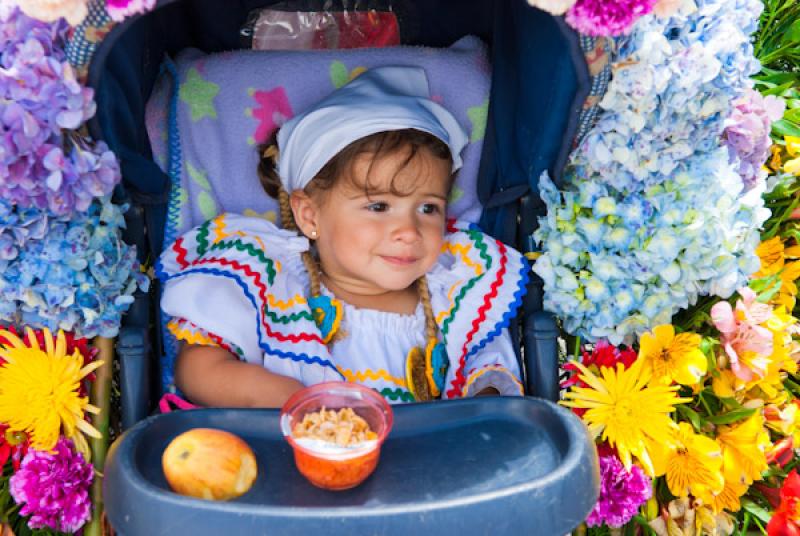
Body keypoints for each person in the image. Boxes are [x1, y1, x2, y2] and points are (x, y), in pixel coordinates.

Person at [157, 66, 529, 408]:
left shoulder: (458, 291)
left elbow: (491, 369)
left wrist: (484, 397)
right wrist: (287, 396)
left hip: (429, 469)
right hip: (292, 464)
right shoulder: (270, 282)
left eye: (428, 208)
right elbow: (196, 370)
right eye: (379, 206)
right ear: (310, 215)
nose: (408, 231)